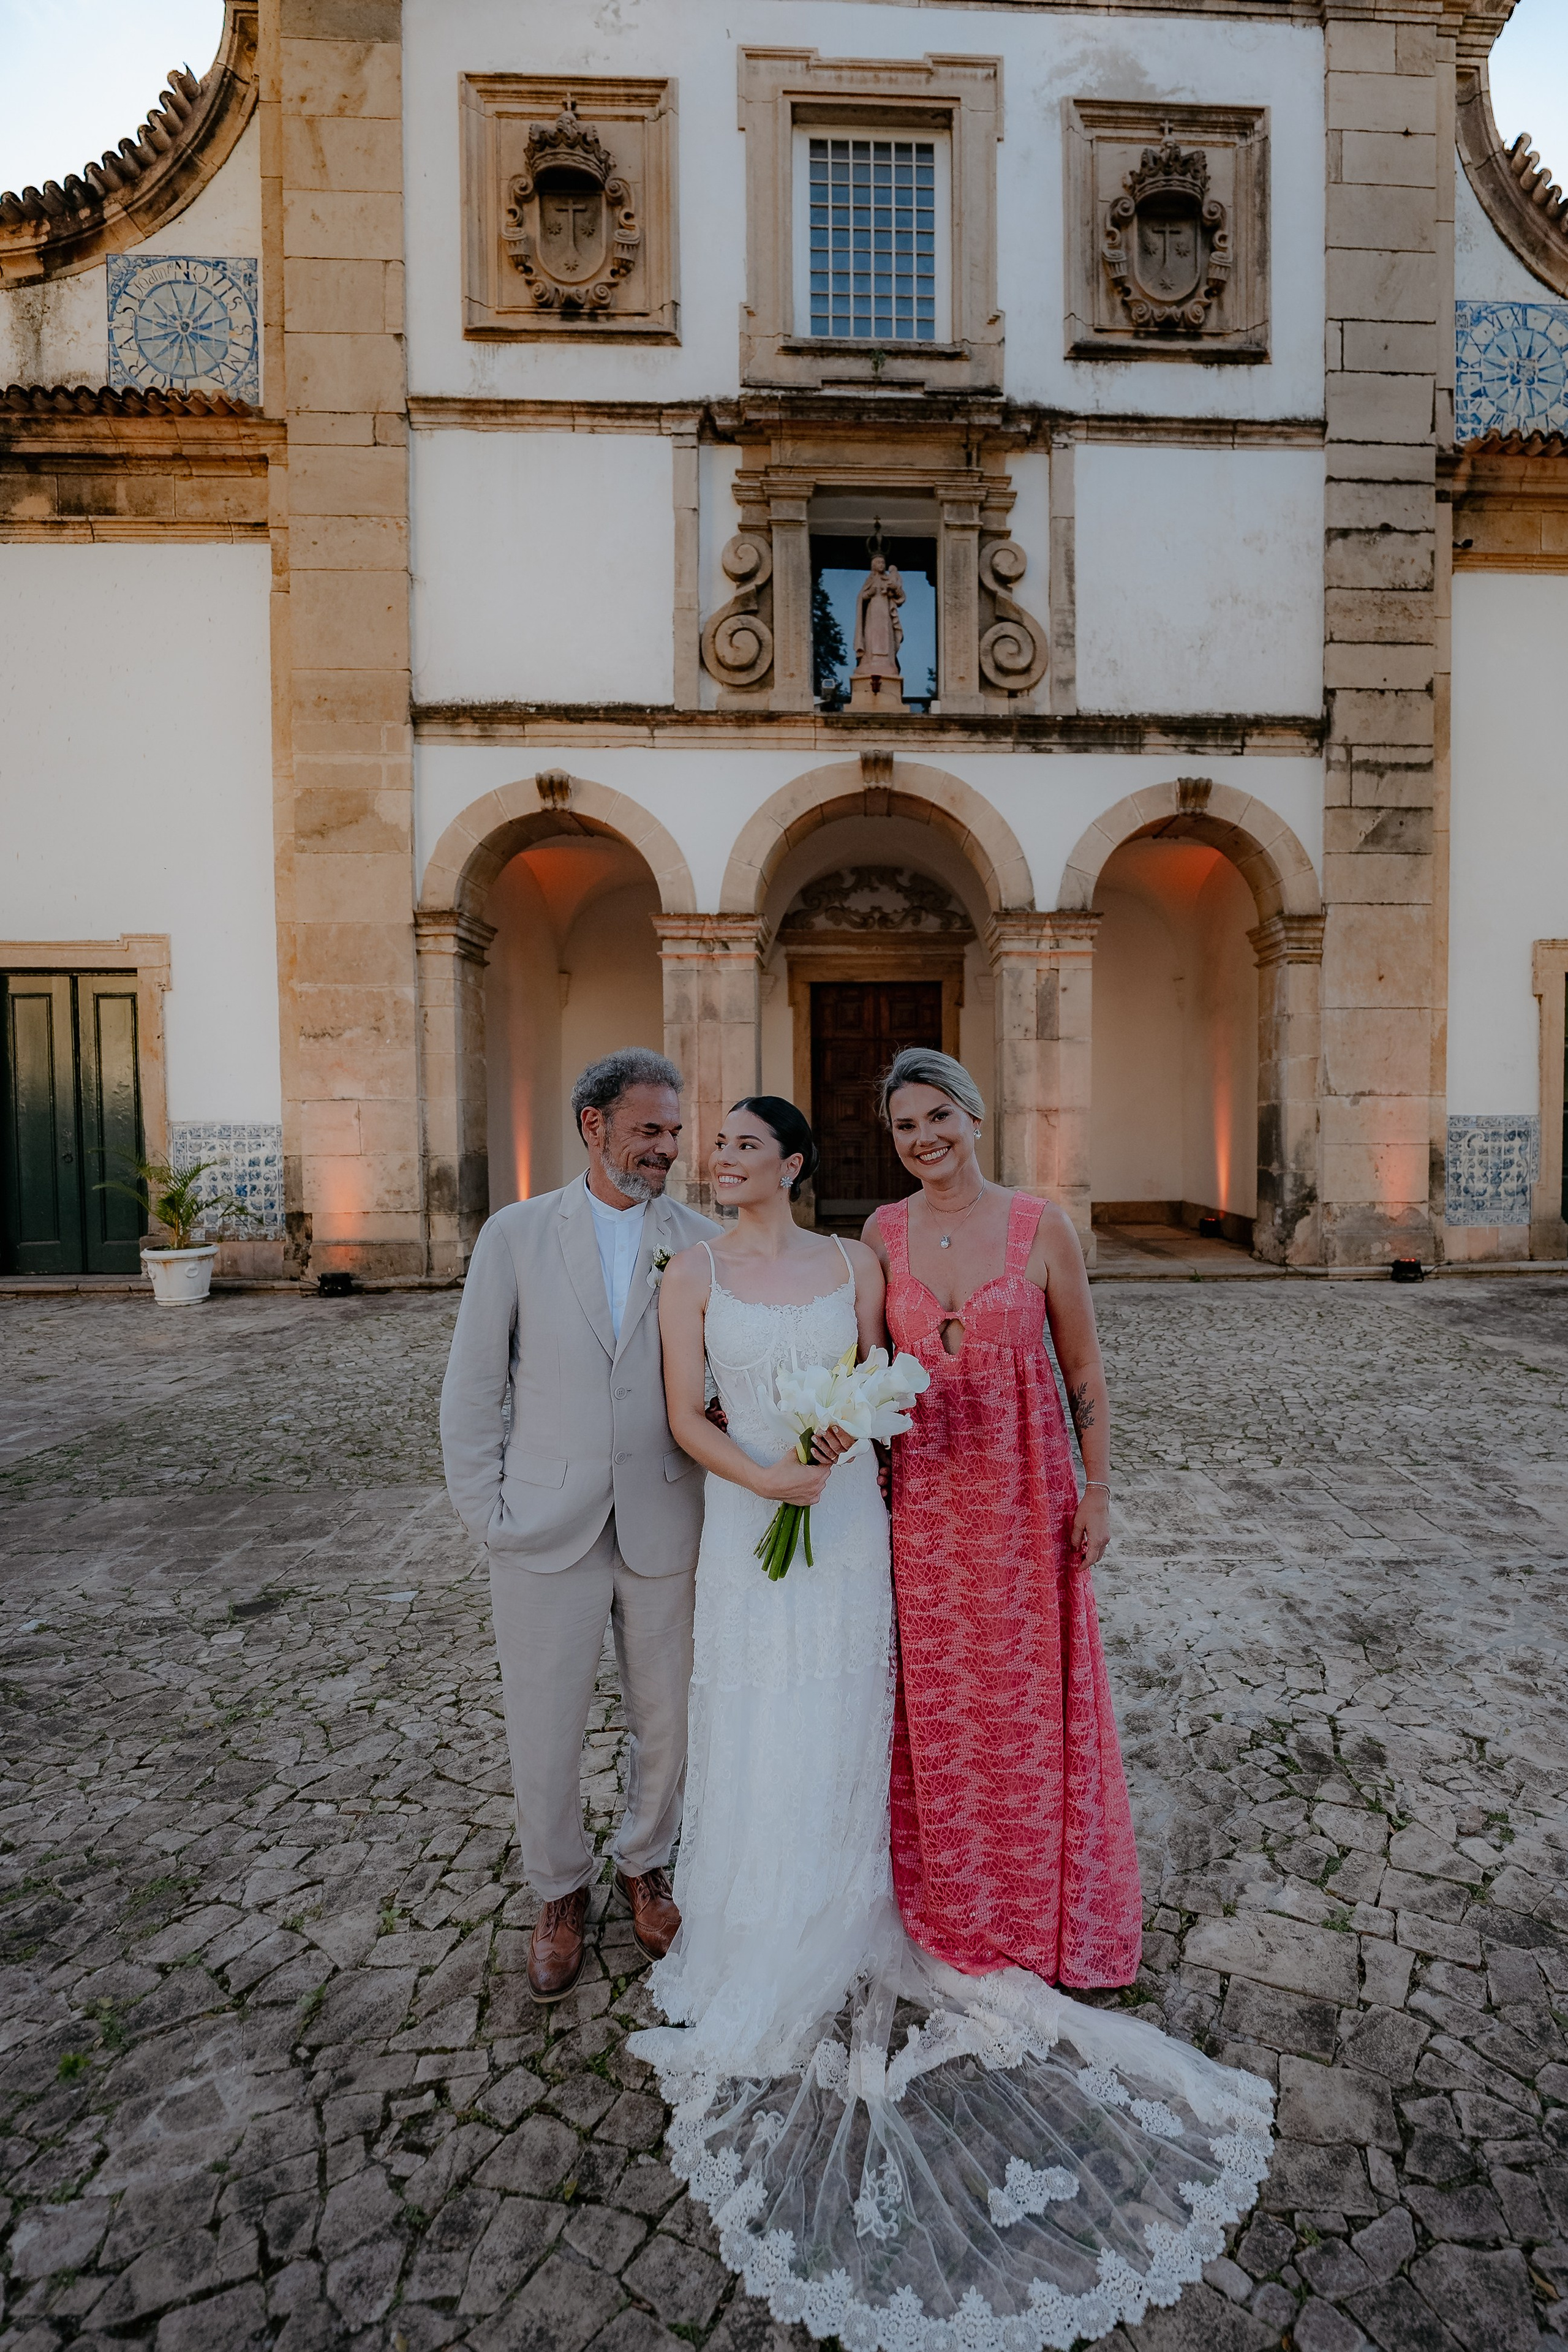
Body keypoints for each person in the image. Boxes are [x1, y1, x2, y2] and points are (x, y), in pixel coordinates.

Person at [630, 1094, 1275, 2352]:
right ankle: (764, 1913)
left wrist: (1065, 1484)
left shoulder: (857, 1259)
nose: (721, 1161)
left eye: (744, 1145)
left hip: (862, 1524)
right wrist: (775, 1475)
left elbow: (886, 1387)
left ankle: (871, 1893)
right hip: (764, 1520)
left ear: (796, 1162)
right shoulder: (701, 1269)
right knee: (765, 1715)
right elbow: (683, 1410)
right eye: (715, 1149)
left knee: (855, 1709)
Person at [439, 1048, 718, 2003]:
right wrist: (488, 1513)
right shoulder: (514, 1236)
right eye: (650, 1130)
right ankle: (559, 1892)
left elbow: (720, 1377)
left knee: (666, 1717)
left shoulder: (699, 1236)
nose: (667, 1150)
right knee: (544, 1724)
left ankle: (647, 1864)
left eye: (674, 1132)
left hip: (665, 1515)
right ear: (593, 1127)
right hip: (542, 1523)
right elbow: (473, 1387)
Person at [862, 1046, 1144, 1990]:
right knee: (942, 1709)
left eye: (939, 1116)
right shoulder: (881, 1234)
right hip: (926, 1512)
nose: (924, 1139)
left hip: (1028, 1503)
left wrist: (1098, 1490)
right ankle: (954, 1901)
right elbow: (861, 1375)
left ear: (975, 1119)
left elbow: (1085, 1371)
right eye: (905, 1125)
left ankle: (1039, 1905)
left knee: (1028, 1704)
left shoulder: (1041, 1227)